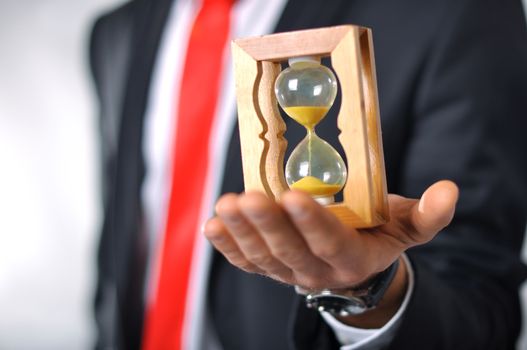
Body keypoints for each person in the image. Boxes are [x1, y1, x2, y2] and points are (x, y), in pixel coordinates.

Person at [89, 0, 527, 349]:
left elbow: (482, 306)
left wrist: (367, 291)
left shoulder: (454, 11)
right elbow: (121, 245)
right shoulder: (119, 30)